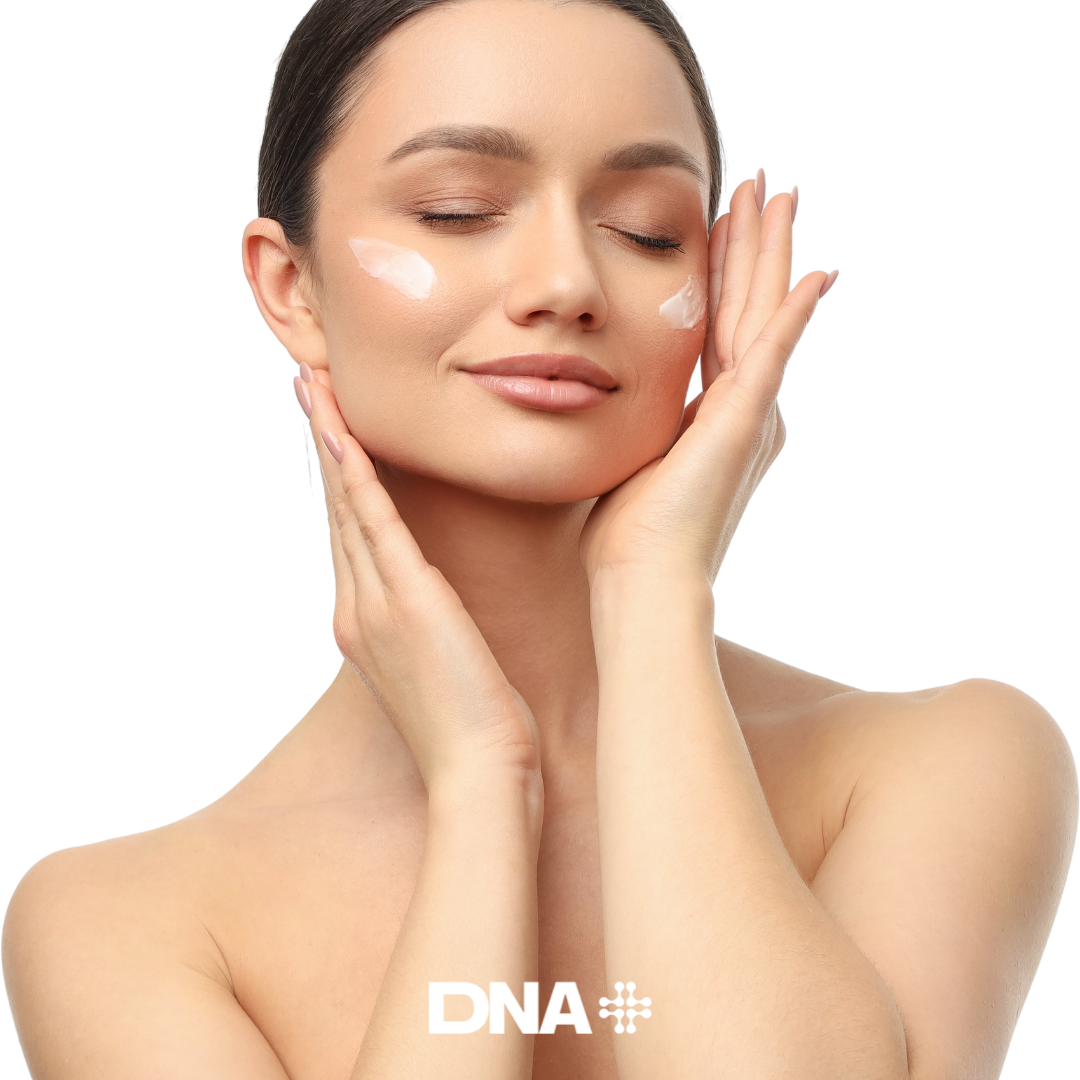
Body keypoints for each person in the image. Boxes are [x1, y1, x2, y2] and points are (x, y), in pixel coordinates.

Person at [3, 0, 1076, 1077]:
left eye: (647, 231)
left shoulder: (938, 767)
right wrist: (481, 786)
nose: (567, 283)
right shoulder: (122, 925)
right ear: (292, 288)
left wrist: (653, 594)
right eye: (459, 211)